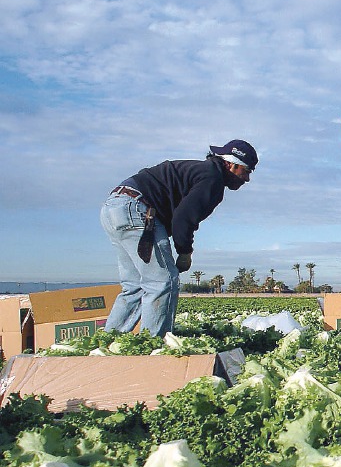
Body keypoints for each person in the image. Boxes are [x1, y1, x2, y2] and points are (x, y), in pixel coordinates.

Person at [100, 140, 257, 337]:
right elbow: (182, 220)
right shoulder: (212, 178)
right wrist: (185, 251)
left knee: (135, 286)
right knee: (163, 281)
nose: (247, 179)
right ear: (232, 164)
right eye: (247, 171)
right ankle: (154, 347)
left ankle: (109, 342)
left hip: (115, 207)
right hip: (139, 210)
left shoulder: (200, 171)